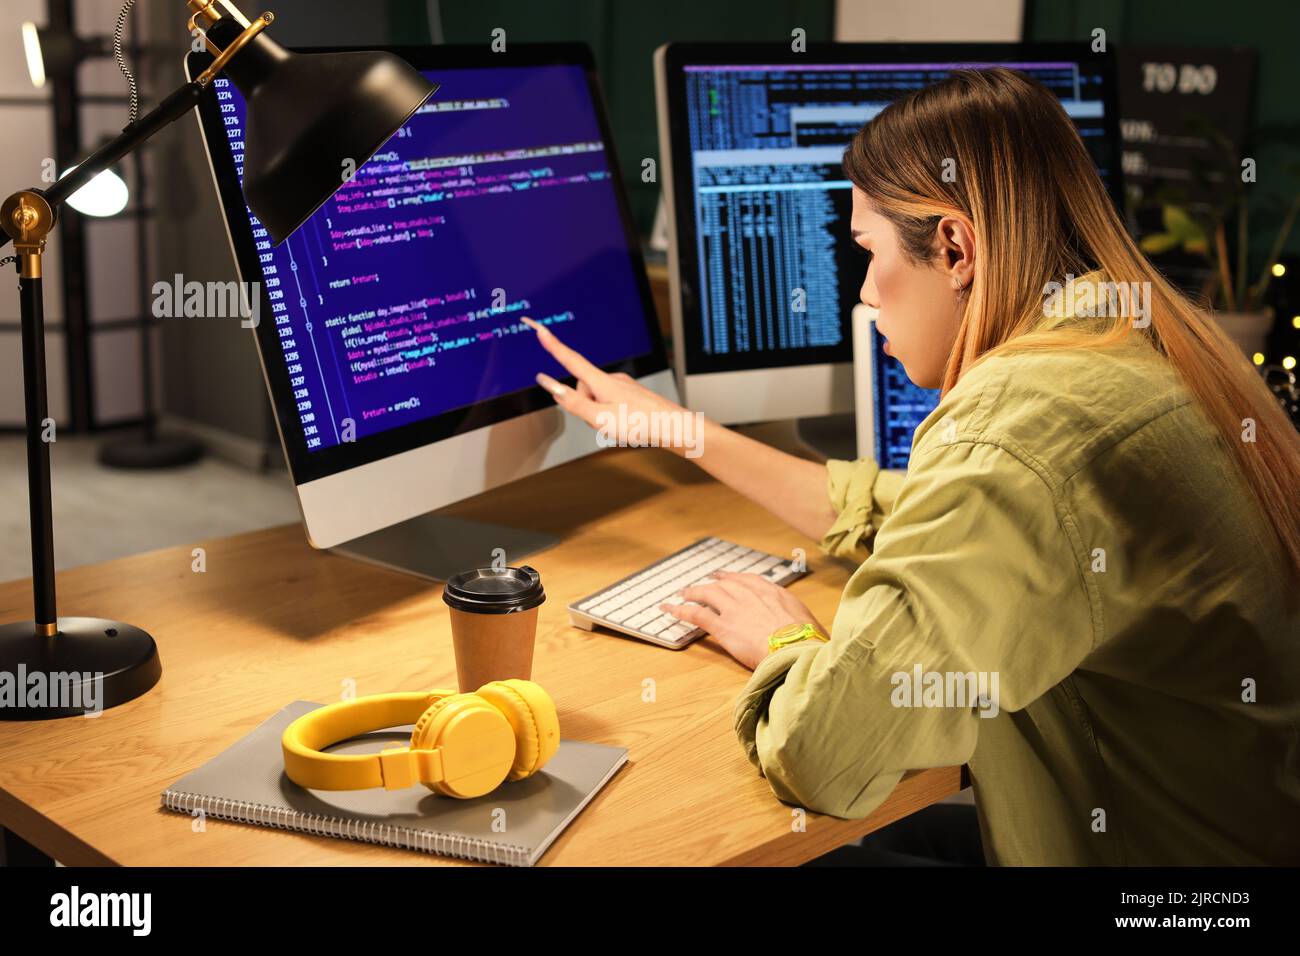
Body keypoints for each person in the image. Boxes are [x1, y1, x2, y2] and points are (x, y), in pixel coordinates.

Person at [519, 67, 1300, 865]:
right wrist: (683, 432)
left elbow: (827, 753)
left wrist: (787, 643)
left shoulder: (1021, 424)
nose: (864, 292)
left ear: (955, 246)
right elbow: (921, 515)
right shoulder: (1134, 336)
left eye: (869, 250)